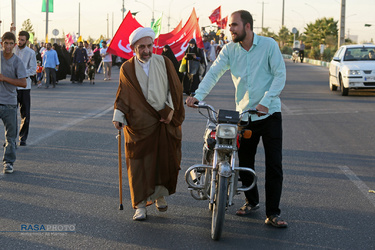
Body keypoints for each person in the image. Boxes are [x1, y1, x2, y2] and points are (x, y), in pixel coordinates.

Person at [186, 10, 287, 228]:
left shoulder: (269, 46)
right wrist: (198, 96)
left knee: (274, 165)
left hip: (269, 114)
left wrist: (266, 102)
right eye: (230, 26)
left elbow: (280, 75)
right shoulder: (230, 50)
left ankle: (273, 213)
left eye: (234, 25)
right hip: (245, 116)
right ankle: (252, 202)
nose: (230, 29)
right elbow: (214, 73)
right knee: (245, 162)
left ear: (247, 26)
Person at [112, 27, 185, 221]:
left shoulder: (164, 62)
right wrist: (118, 116)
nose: (146, 50)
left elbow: (175, 88)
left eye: (149, 46)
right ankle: (141, 205)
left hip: (163, 121)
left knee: (162, 160)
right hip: (138, 124)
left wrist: (170, 110)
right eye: (141, 47)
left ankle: (160, 195)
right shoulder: (126, 68)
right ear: (134, 47)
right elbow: (123, 94)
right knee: (139, 164)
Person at [0, 32, 27, 173]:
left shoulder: (17, 61)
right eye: (6, 43)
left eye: (11, 43)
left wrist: (4, 78)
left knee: (10, 136)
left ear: (15, 45)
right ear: (2, 43)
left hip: (9, 103)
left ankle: (8, 162)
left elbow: (23, 83)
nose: (8, 46)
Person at [15, 31, 37, 146]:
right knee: (11, 113)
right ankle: (11, 138)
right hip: (12, 87)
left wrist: (21, 74)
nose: (20, 41)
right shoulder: (13, 49)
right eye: (19, 39)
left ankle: (22, 137)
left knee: (25, 114)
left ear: (27, 41)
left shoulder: (31, 53)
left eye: (22, 40)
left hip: (24, 86)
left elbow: (33, 69)